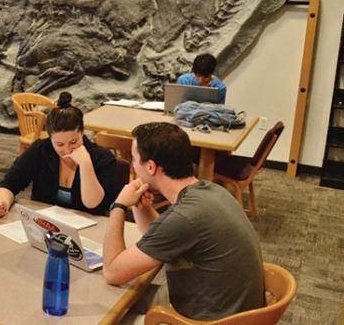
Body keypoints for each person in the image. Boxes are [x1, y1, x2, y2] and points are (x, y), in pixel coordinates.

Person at [102, 122, 264, 322]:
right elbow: (159, 240)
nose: (133, 165)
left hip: (210, 319)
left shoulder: (184, 216)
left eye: (134, 159)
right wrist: (139, 206)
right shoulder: (210, 191)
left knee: (111, 311)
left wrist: (118, 206)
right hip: (235, 311)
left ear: (151, 167)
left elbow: (112, 272)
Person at [0, 92, 119, 218]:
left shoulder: (103, 158)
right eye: (59, 144)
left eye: (73, 142)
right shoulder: (40, 150)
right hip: (44, 224)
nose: (67, 150)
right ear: (50, 138)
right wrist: (2, 203)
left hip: (91, 227)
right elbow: (10, 183)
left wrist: (86, 164)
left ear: (82, 132)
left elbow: (94, 205)